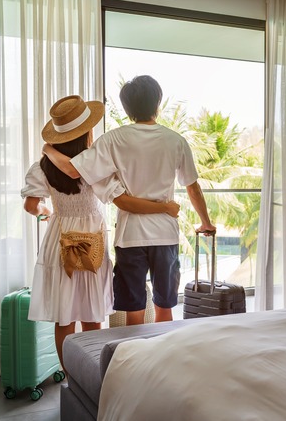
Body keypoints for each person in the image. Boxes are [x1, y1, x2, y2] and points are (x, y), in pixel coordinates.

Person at [22, 95, 179, 371]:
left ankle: (71, 377)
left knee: (64, 317)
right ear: (86, 132)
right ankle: (92, 375)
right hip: (92, 240)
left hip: (60, 241)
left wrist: (47, 212)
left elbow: (31, 205)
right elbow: (114, 196)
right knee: (92, 315)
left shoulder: (43, 166)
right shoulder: (95, 164)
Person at [43, 75, 216, 326]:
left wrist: (47, 149)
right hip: (165, 235)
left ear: (127, 108)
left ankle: (136, 362)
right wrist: (206, 223)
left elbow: (72, 170)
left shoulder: (114, 139)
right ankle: (162, 361)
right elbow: (193, 187)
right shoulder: (175, 140)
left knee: (134, 310)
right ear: (158, 102)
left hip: (130, 236)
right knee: (164, 306)